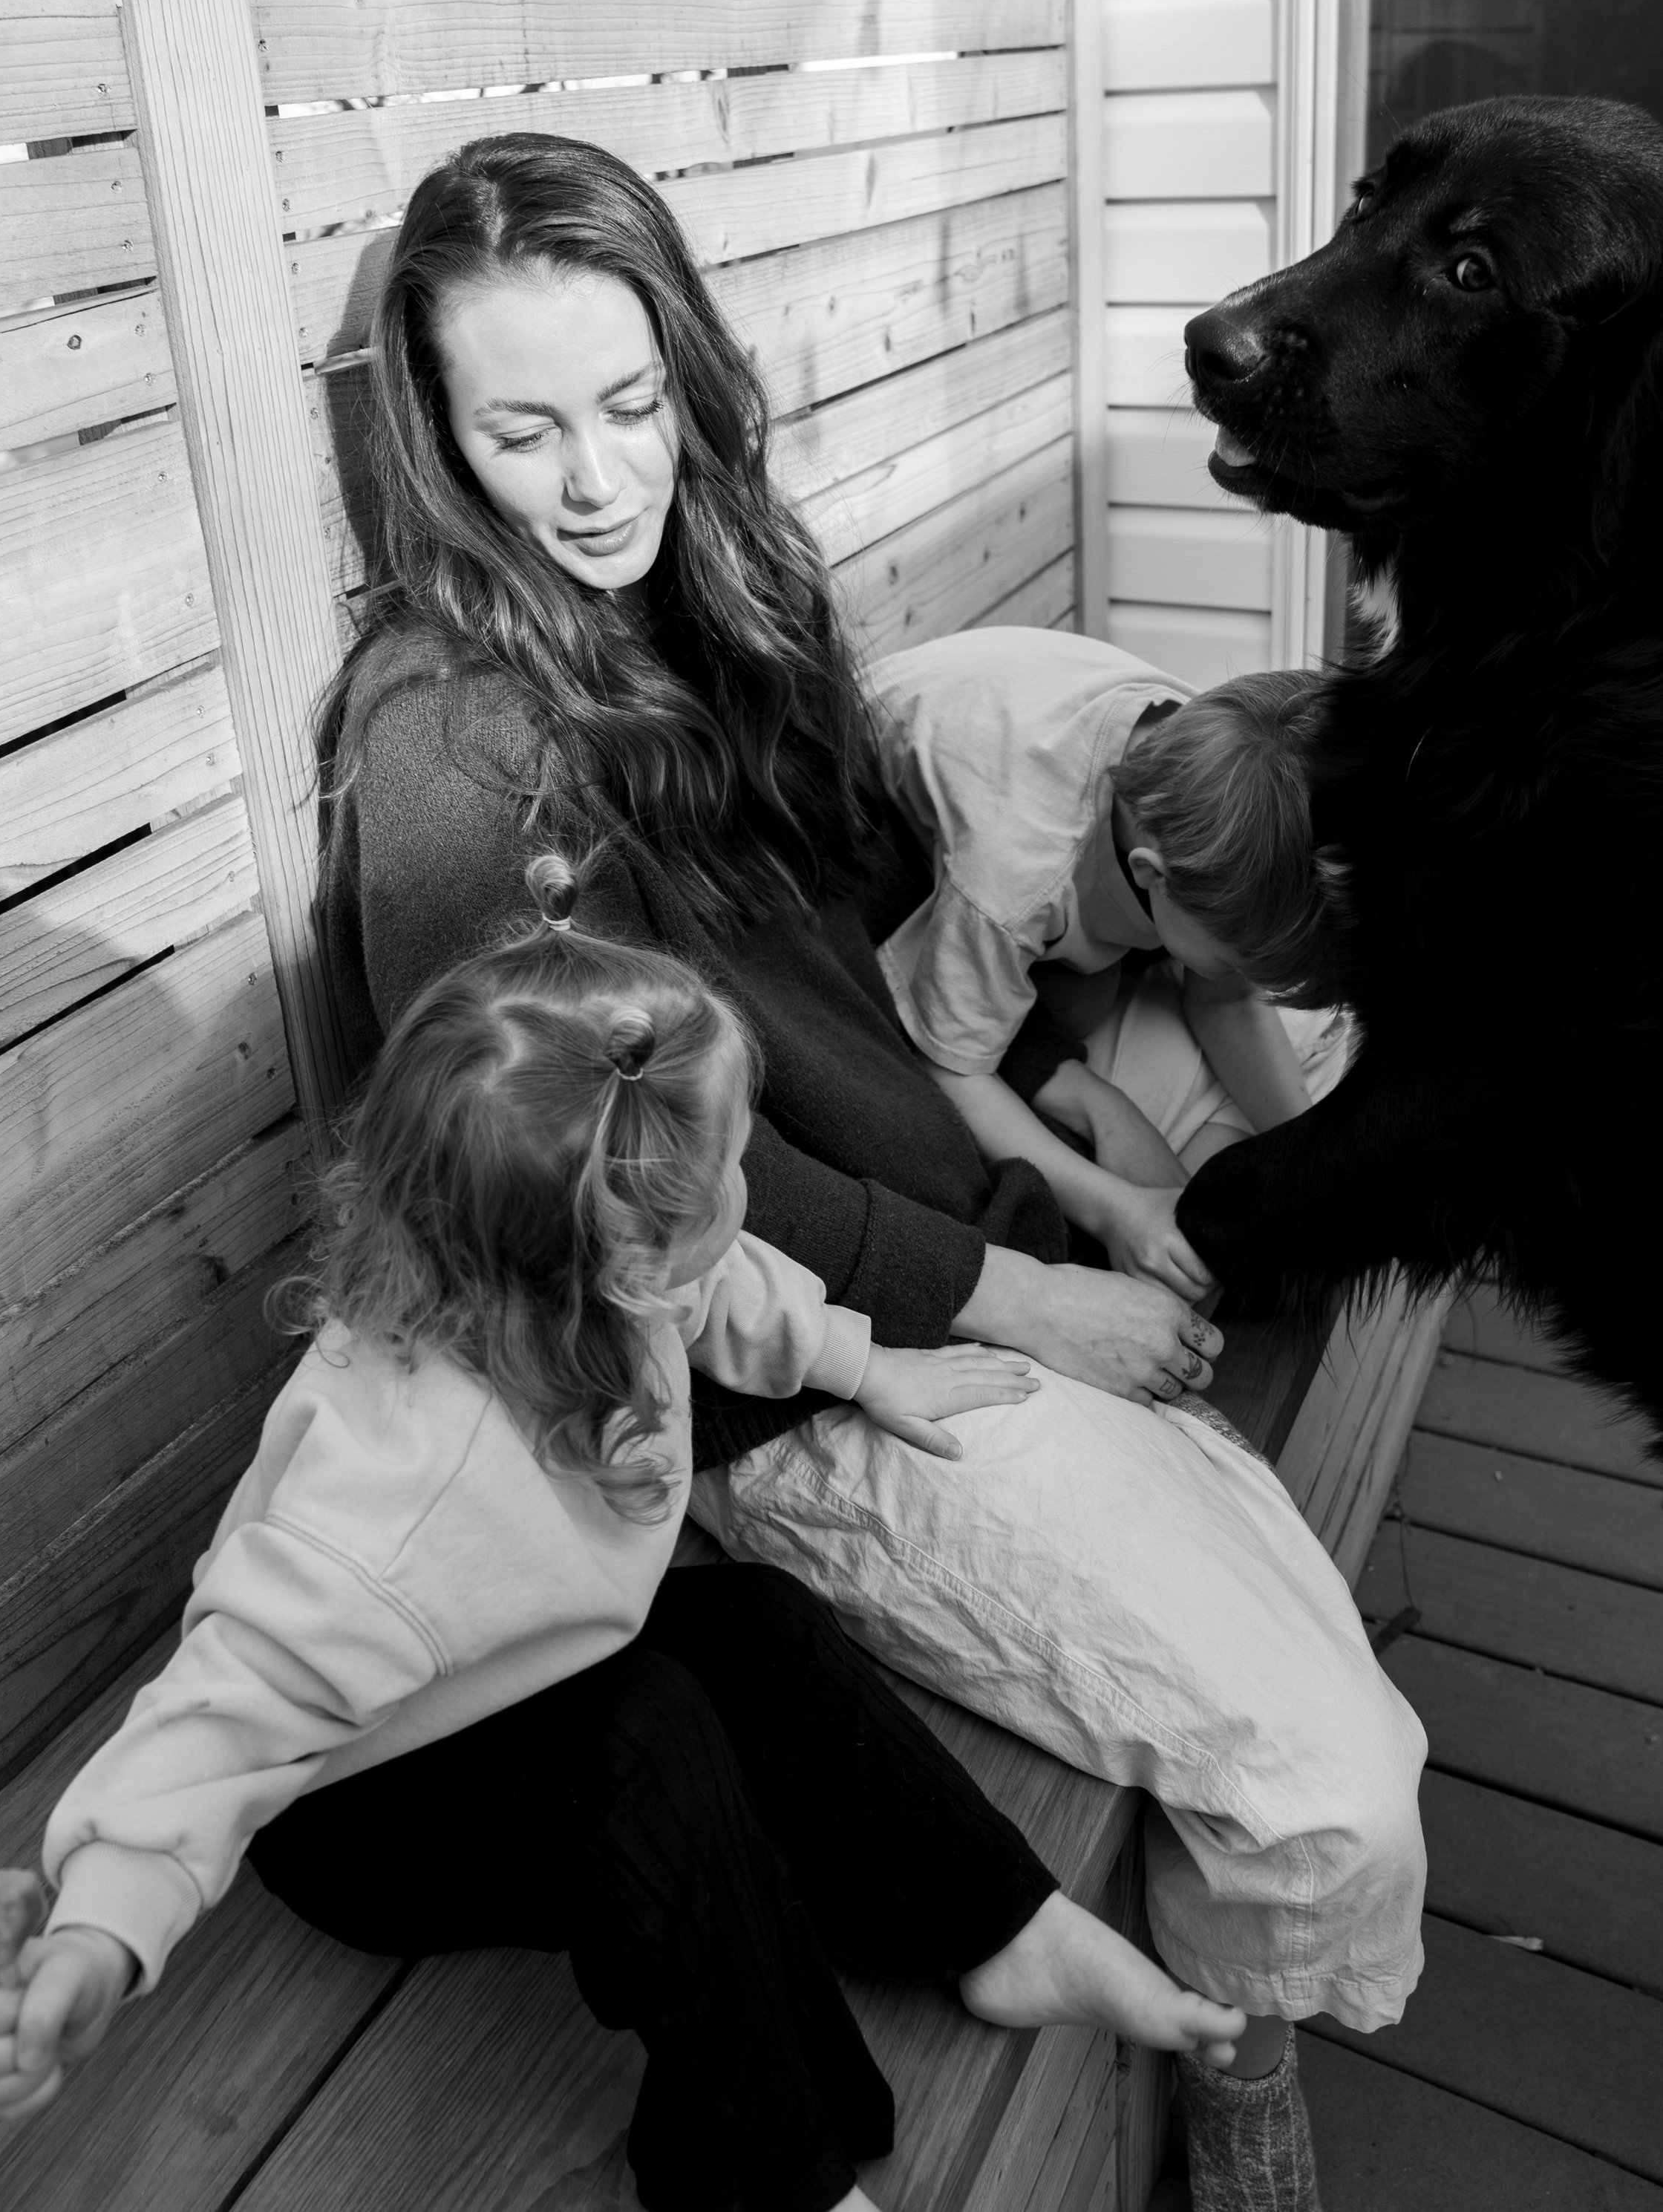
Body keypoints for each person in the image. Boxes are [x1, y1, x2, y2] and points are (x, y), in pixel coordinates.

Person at [315, 132, 1428, 2212]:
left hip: (956, 1231)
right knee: (1339, 1787)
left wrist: (1055, 1117)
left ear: (688, 371)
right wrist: (1020, 1294)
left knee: (1337, 1675)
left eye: (631, 402)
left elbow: (880, 940)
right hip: (803, 1373)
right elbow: (617, 1188)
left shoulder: (718, 599)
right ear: (438, 443)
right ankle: (1237, 2082)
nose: (598, 480)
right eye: (523, 431)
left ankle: (1217, 1984)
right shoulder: (450, 744)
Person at [0, 884, 1247, 2212]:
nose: (748, 1185)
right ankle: (762, 2183)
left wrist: (866, 1364)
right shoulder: (385, 1506)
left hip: (502, 1671)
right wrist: (93, 1936)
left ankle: (998, 1926)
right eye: (734, 1167)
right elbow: (214, 1726)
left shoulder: (581, 1271)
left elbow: (722, 1282)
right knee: (649, 1750)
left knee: (766, 1629)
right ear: (628, 1267)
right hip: (358, 1795)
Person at [865, 629, 1353, 1300]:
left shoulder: (1226, 772)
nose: (1251, 980)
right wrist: (1113, 1208)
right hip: (869, 834)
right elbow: (951, 1069)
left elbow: (1225, 998)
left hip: (999, 721)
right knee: (1075, 1008)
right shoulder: (1018, 882)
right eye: (1237, 960)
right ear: (1154, 874)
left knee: (1307, 1029)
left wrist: (1318, 1171)